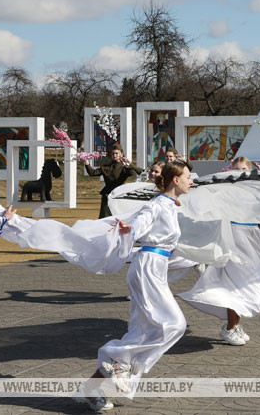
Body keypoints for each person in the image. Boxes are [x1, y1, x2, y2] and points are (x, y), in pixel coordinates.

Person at [79, 161, 192, 409]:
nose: (190, 181)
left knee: (142, 332)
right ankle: (120, 362)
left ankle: (91, 387)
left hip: (155, 267)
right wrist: (132, 229)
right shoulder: (157, 205)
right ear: (175, 180)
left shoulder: (171, 204)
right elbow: (143, 220)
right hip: (147, 267)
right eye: (187, 177)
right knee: (175, 324)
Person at [179, 156, 260, 347]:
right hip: (233, 238)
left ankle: (234, 325)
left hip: (251, 238)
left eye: (243, 169)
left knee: (251, 283)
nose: (239, 172)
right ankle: (230, 327)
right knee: (234, 285)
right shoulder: (224, 190)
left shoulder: (255, 190)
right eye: (235, 169)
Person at [84, 142, 143, 218]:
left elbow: (134, 174)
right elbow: (92, 173)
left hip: (119, 196)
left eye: (116, 153)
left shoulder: (124, 167)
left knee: (119, 219)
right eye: (113, 154)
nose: (114, 155)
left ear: (121, 154)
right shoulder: (106, 167)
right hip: (107, 196)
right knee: (104, 219)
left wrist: (129, 164)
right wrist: (87, 163)